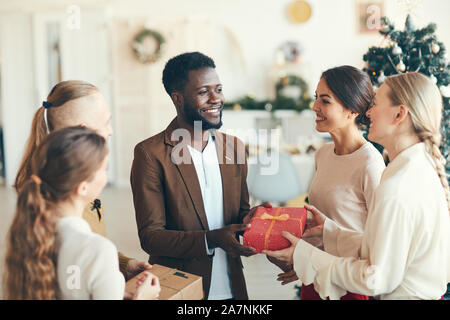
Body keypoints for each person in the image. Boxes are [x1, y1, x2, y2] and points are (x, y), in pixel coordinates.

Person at [265, 72, 450, 300]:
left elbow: (375, 278)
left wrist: (306, 256)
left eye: (375, 104)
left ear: (399, 114)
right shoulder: (413, 169)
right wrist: (330, 234)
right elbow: (384, 247)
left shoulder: (398, 185)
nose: (368, 112)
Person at [131, 52, 265, 300]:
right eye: (204, 92)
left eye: (219, 89)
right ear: (178, 98)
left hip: (232, 286)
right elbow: (151, 237)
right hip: (182, 288)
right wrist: (211, 239)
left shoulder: (234, 147)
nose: (216, 99)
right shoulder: (150, 154)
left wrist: (257, 219)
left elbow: (239, 212)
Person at [13, 80, 151, 280]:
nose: (110, 130)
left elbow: (91, 249)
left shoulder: (77, 180)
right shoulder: (62, 199)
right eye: (106, 122)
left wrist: (123, 264)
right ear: (84, 130)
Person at [3, 126, 160, 299]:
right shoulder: (98, 250)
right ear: (83, 187)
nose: (105, 178)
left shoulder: (28, 236)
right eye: (104, 170)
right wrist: (142, 297)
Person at [272, 66, 386, 300]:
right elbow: (319, 221)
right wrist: (302, 257)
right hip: (314, 274)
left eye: (325, 100)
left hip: (349, 283)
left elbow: (379, 239)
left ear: (352, 110)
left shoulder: (370, 163)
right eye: (316, 98)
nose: (315, 106)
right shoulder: (322, 154)